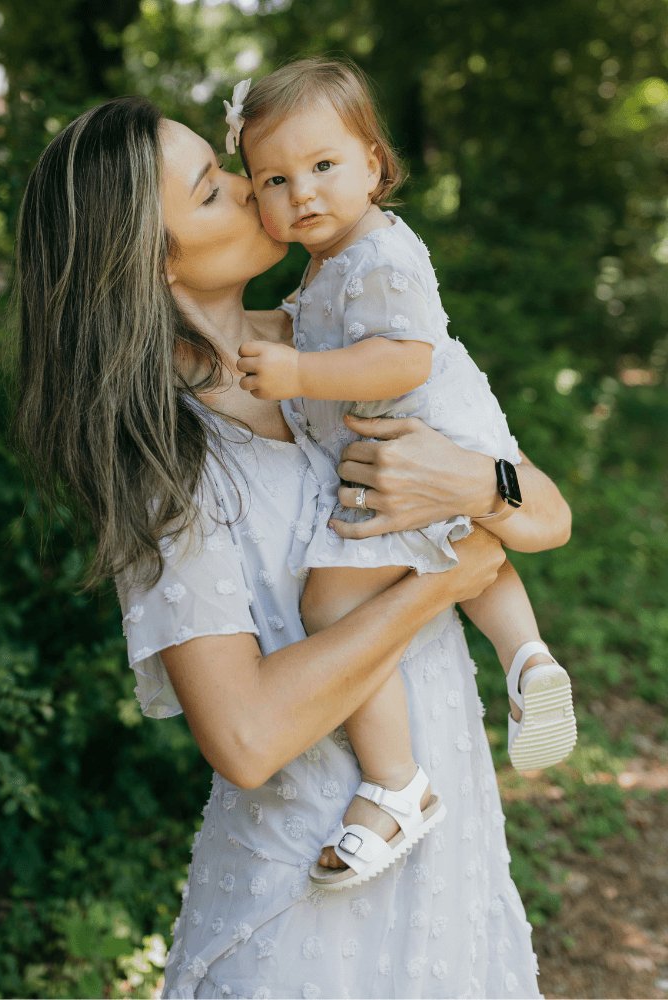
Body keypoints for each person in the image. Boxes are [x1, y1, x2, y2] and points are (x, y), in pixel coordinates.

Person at [13, 93, 571, 998]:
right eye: (211, 190)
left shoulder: (345, 338)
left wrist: (474, 488)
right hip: (310, 897)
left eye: (228, 168)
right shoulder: (170, 460)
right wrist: (443, 580)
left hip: (453, 865)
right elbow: (244, 735)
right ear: (152, 265)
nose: (250, 188)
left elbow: (544, 516)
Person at [227, 59, 577, 889]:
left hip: (417, 438)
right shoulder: (331, 263)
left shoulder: (382, 253)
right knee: (470, 542)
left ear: (376, 166)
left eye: (322, 167)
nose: (302, 192)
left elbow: (397, 357)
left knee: (332, 603)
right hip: (434, 441)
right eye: (273, 178)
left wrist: (300, 376)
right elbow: (306, 324)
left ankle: (397, 784)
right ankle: (528, 661)